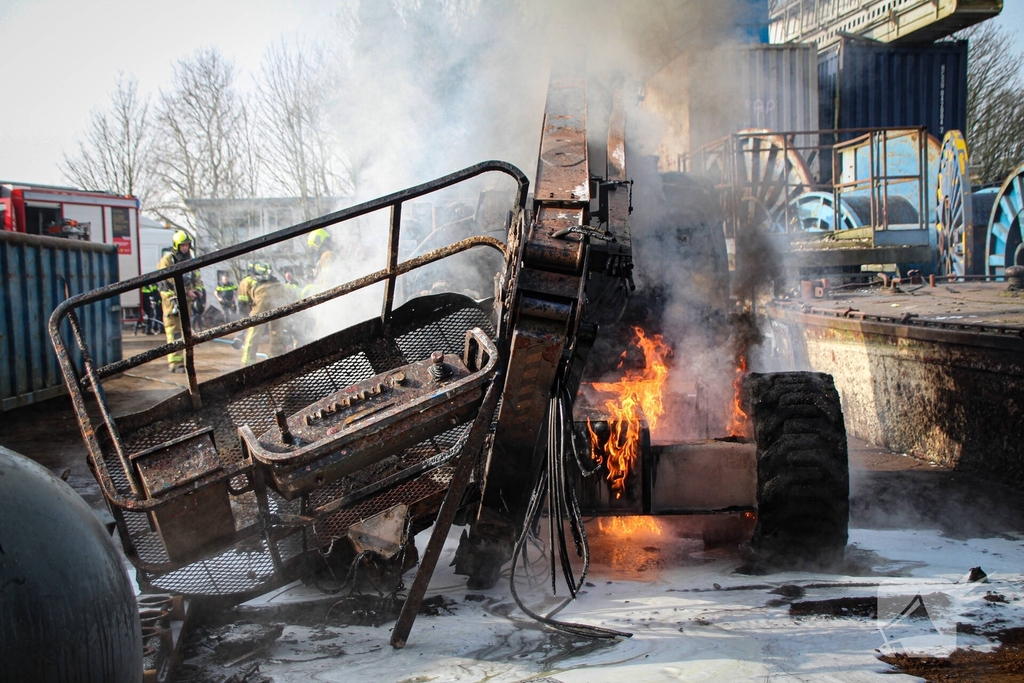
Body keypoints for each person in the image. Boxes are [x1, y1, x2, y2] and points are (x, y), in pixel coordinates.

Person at [157, 230, 204, 373]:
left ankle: (186, 362)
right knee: (175, 332)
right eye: (182, 245)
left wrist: (198, 290)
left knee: (186, 332)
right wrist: (186, 291)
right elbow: (168, 281)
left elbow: (196, 276)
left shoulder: (190, 259)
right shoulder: (168, 260)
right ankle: (175, 363)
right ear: (176, 245)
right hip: (172, 301)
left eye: (187, 245)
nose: (185, 248)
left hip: (187, 301)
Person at [240, 262, 291, 366]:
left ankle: (247, 363)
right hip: (279, 290)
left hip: (261, 295)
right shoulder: (273, 279)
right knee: (277, 330)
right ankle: (276, 360)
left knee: (254, 331)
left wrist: (247, 319)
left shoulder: (246, 281)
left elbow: (242, 303)